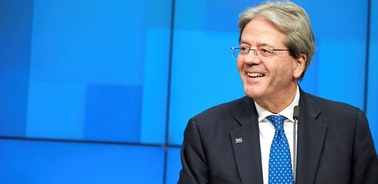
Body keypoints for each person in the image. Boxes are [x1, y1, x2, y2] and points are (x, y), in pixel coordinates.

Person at [178, 1, 378, 184]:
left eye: (265, 51)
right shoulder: (205, 130)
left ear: (298, 64)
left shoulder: (348, 126)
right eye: (245, 48)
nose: (249, 59)